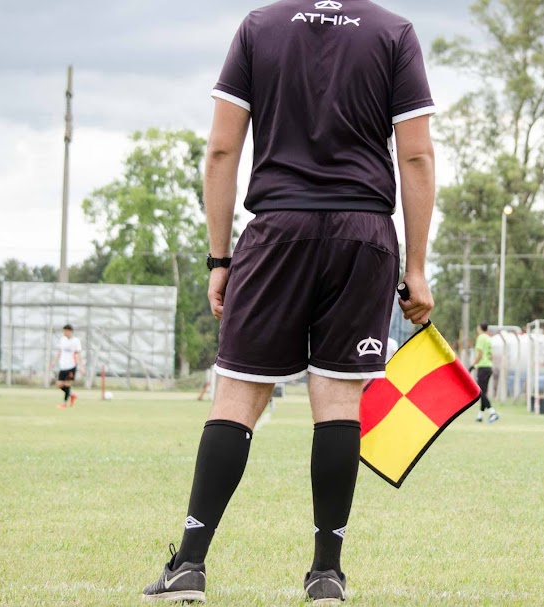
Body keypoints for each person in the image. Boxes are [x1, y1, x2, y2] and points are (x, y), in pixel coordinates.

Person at [141, 1, 436, 603]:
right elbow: (415, 155)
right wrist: (416, 268)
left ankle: (189, 566)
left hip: (276, 230)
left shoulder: (259, 27)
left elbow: (221, 150)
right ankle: (326, 574)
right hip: (363, 234)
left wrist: (220, 259)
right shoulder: (393, 31)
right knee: (339, 403)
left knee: (237, 397)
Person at [469, 323, 499, 423]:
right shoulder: (488, 338)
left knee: (480, 392)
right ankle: (480, 416)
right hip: (489, 367)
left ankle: (492, 413)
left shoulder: (481, 338)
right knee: (483, 392)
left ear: (479, 328)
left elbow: (480, 354)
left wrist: (473, 365)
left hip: (482, 368)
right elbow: (490, 355)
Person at [48, 324, 82, 409]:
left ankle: (64, 403)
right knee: (59, 384)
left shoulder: (76, 341)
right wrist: (53, 362)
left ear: (70, 331)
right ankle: (72, 395)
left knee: (67, 384)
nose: (64, 333)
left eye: (65, 331)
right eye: (63, 331)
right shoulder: (62, 339)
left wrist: (82, 366)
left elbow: (78, 354)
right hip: (63, 366)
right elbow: (59, 352)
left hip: (71, 366)